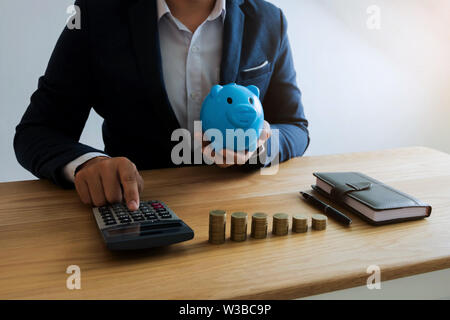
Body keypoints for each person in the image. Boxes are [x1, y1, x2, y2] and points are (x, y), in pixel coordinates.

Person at [14, 0, 309, 211]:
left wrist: (261, 146)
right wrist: (89, 163)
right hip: (135, 213)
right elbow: (37, 131)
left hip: (244, 214)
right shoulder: (94, 14)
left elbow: (294, 126)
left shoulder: (270, 19)